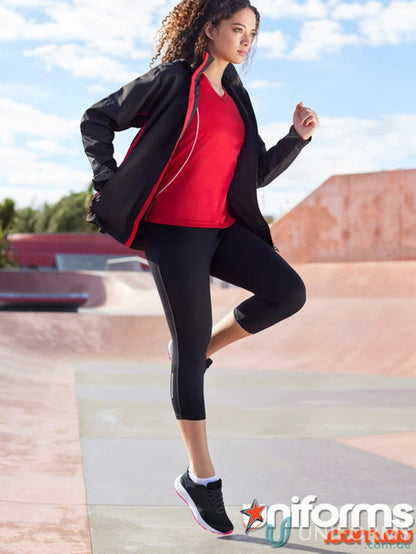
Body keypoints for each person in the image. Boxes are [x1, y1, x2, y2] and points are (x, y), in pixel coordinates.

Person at [80, 0, 319, 536]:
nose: (246, 41)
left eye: (252, 33)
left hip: (222, 228)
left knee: (287, 292)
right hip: (173, 233)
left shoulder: (237, 96)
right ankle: (200, 478)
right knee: (187, 355)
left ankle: (198, 349)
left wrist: (296, 139)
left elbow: (253, 173)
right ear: (209, 28)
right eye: (237, 29)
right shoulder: (172, 81)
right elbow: (97, 117)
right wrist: (108, 179)